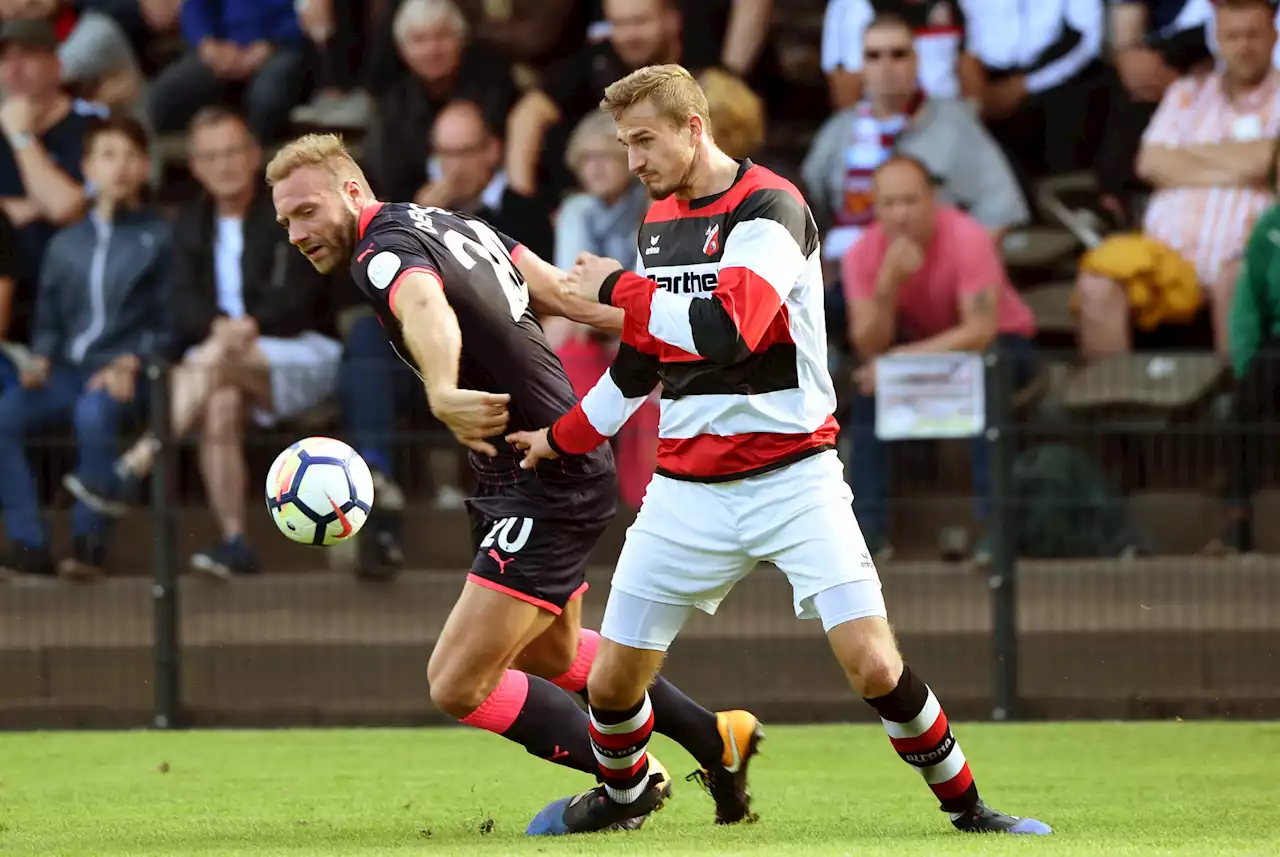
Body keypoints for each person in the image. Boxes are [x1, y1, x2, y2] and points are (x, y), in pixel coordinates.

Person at [508, 64, 1052, 837]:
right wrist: (559, 437)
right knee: (613, 678)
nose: (633, 160)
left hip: (794, 480)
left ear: (694, 128)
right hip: (685, 488)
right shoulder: (658, 217)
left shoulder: (772, 206)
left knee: (873, 664)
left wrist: (619, 290)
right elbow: (639, 365)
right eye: (624, 143)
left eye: (643, 140)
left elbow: (733, 329)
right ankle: (626, 796)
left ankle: (970, 808)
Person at [266, 132, 765, 829]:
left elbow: (424, 307)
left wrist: (441, 386)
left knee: (457, 682)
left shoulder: (383, 251)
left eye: (306, 212)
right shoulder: (455, 224)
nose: (296, 232)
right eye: (285, 221)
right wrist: (683, 335)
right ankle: (714, 736)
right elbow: (561, 291)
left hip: (544, 472)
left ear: (353, 192)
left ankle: (625, 776)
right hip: (527, 469)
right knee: (550, 651)